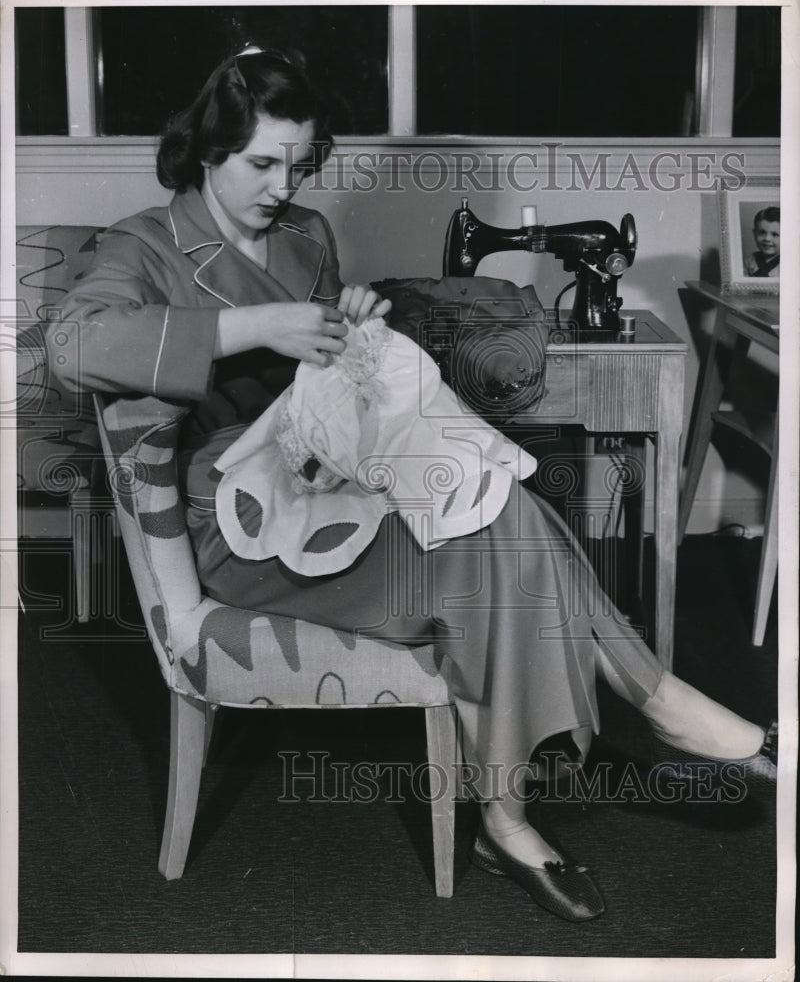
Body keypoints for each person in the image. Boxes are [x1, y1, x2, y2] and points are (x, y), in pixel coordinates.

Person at [48, 47, 777, 924]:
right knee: (494, 537)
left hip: (331, 475)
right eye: (261, 163)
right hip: (240, 517)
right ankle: (625, 726)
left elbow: (321, 388)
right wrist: (258, 325)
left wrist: (347, 327)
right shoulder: (143, 245)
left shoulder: (306, 236)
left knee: (500, 511)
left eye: (301, 162)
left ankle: (533, 799)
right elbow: (73, 346)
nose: (284, 184)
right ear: (206, 149)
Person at [745, 206, 780, 278]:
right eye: (762, 233)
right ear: (754, 233)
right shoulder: (749, 261)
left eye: (774, 234)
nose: (767, 238)